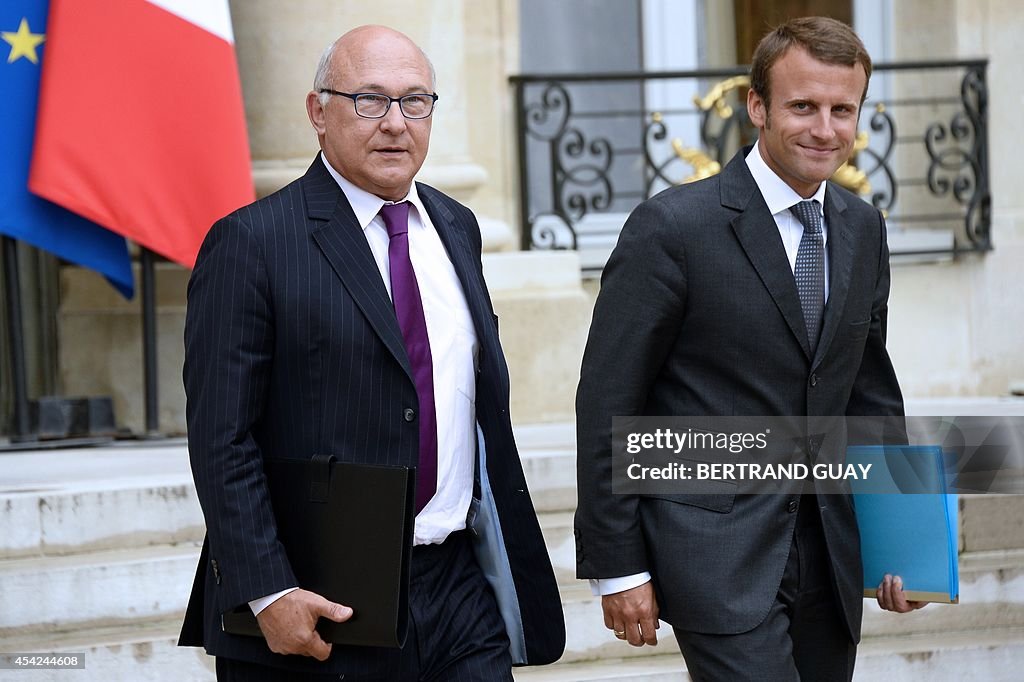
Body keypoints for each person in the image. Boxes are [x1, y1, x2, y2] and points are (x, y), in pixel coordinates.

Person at [178, 25, 565, 681]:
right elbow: (222, 437)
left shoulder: (456, 227)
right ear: (317, 112)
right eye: (369, 100)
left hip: (458, 587)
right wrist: (267, 589)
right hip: (323, 597)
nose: (395, 124)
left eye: (415, 102)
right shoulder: (253, 244)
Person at [574, 16, 923, 682]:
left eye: (841, 110)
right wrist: (618, 566)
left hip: (831, 550)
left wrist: (903, 541)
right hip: (715, 555)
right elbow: (608, 399)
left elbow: (870, 391)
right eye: (803, 106)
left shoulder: (863, 228)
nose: (825, 129)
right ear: (757, 106)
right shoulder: (672, 228)